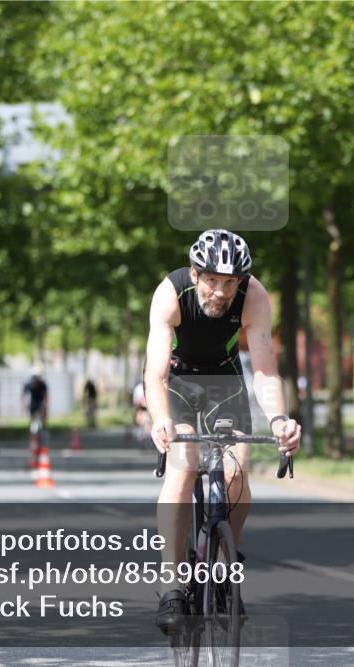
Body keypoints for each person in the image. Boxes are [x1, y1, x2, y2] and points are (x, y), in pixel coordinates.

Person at [145, 229, 301, 632]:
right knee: (185, 464)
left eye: (229, 283)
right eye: (212, 280)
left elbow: (265, 369)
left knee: (235, 473)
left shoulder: (255, 296)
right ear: (196, 274)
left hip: (224, 381)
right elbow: (155, 372)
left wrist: (280, 420)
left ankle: (222, 563)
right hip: (177, 381)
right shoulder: (170, 293)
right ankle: (171, 583)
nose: (220, 291)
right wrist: (161, 418)